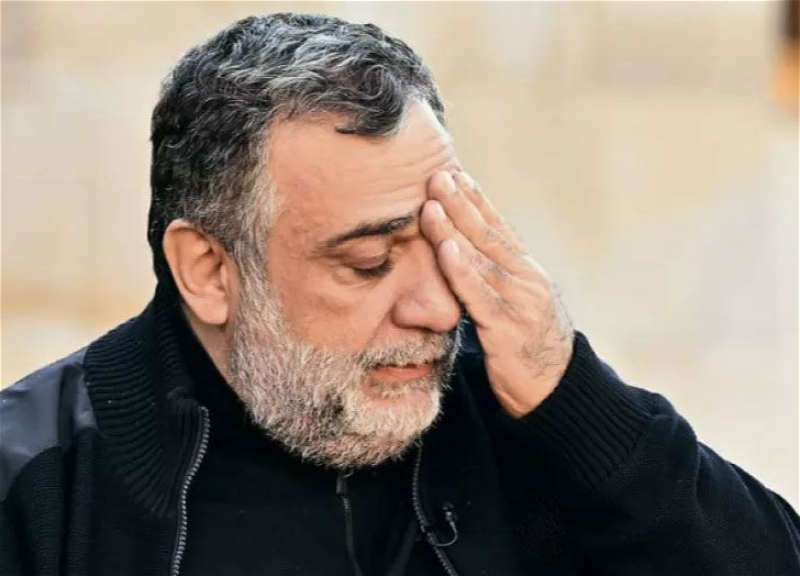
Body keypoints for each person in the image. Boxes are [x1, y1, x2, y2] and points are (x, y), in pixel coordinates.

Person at [1, 13, 798, 576]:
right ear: (209, 271)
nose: (440, 309)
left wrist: (577, 403)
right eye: (370, 262)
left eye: (442, 243)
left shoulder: (522, 417)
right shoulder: (36, 484)